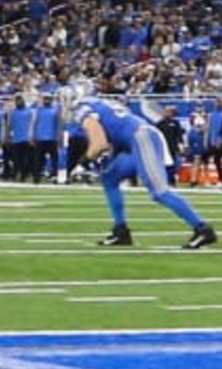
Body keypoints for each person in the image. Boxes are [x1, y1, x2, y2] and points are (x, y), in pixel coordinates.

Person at [78, 88, 212, 250]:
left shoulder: (84, 110)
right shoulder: (100, 104)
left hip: (142, 138)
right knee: (110, 178)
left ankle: (203, 229)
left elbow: (100, 144)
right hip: (135, 140)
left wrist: (82, 163)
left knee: (159, 192)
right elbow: (115, 134)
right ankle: (121, 231)